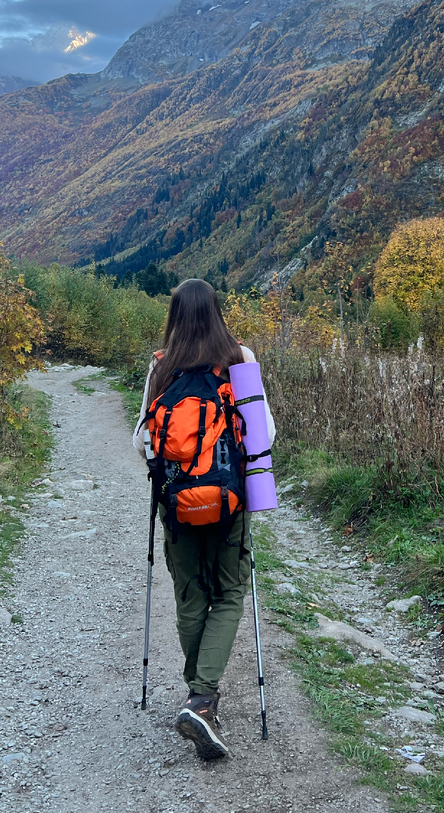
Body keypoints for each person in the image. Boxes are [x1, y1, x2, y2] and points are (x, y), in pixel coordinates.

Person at [132, 278, 275, 760]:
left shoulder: (160, 366)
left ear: (174, 316)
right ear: (216, 312)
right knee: (230, 592)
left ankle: (200, 697)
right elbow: (264, 433)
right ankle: (202, 699)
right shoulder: (241, 359)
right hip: (229, 502)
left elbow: (143, 442)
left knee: (190, 594)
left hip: (177, 506)